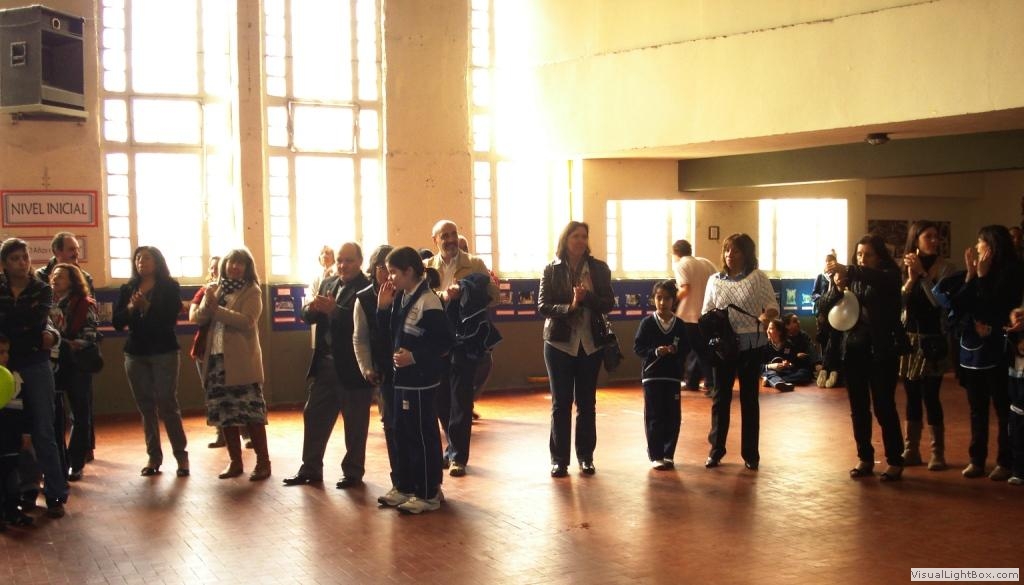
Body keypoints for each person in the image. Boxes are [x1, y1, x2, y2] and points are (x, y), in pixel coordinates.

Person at [283, 243, 374, 489]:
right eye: (340, 260)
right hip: (324, 364)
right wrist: (312, 308)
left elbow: (364, 326)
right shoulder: (327, 283)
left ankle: (353, 472)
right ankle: (310, 468)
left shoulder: (368, 288)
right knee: (313, 415)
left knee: (355, 423)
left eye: (349, 261)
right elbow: (306, 315)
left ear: (360, 261)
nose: (343, 265)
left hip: (353, 368)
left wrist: (335, 311)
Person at [821, 234, 906, 481]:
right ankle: (865, 458)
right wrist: (837, 288)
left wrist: (850, 270)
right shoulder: (851, 279)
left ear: (879, 256)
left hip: (882, 350)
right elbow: (825, 307)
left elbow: (878, 281)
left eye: (868, 254)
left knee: (884, 407)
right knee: (858, 408)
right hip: (854, 350)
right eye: (859, 254)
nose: (862, 258)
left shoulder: (890, 275)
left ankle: (895, 460)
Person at [376, 246, 454, 513]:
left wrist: (415, 357)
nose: (390, 278)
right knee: (402, 433)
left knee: (422, 435)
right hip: (402, 380)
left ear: (409, 271)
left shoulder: (429, 300)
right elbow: (390, 335)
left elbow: (444, 343)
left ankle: (428, 492)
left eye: (394, 272)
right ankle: (406, 487)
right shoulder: (402, 297)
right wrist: (382, 309)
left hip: (421, 381)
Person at [539, 221, 615, 478]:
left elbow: (608, 303)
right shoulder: (551, 269)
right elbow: (543, 306)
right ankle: (559, 460)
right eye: (575, 236)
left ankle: (586, 457)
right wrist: (571, 306)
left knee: (586, 403)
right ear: (566, 239)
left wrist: (587, 298)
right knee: (561, 403)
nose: (580, 241)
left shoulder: (599, 269)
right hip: (558, 343)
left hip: (590, 344)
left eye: (584, 236)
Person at [424, 220, 499, 478]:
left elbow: (494, 296)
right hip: (436, 340)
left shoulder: (475, 264)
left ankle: (458, 457)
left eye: (453, 234)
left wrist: (468, 291)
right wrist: (445, 296)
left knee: (461, 398)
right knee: (440, 399)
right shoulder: (426, 267)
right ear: (435, 240)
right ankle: (452, 446)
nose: (450, 240)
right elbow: (418, 299)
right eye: (444, 235)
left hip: (464, 340)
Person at [948, 225, 1023, 481]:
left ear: (991, 246)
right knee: (976, 407)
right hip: (974, 350)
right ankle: (976, 460)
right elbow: (960, 305)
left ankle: (1005, 461)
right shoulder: (976, 271)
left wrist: (981, 277)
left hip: (999, 347)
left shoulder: (1011, 272)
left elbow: (996, 304)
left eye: (980, 242)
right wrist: (972, 275)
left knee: (1003, 407)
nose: (977, 247)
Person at [0, 238, 67, 518]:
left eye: (24, 257)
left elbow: (35, 323)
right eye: (14, 258)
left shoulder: (41, 289)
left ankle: (55, 493)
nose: (21, 263)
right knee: (11, 431)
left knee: (43, 429)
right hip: (5, 366)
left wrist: (14, 332)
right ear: (4, 264)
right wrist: (19, 333)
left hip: (35, 363)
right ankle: (20, 491)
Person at [192, 249, 271, 481]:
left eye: (240, 264)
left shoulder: (252, 291)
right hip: (216, 359)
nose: (235, 267)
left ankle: (263, 462)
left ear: (247, 268)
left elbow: (247, 321)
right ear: (224, 265)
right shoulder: (215, 289)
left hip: (242, 362)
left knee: (252, 413)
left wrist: (217, 310)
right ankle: (235, 462)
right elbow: (199, 318)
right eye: (232, 263)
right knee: (224, 413)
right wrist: (208, 303)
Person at [112, 246, 190, 478]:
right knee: (146, 406)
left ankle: (181, 456)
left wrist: (147, 306)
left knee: (167, 403)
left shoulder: (169, 287)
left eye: (146, 258)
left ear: (157, 262)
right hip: (136, 353)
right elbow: (117, 322)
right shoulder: (128, 288)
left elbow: (168, 320)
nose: (141, 262)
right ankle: (154, 456)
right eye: (137, 258)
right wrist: (131, 307)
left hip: (164, 351)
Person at [898, 220, 955, 470]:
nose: (934, 241)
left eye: (936, 236)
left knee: (931, 396)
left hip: (934, 339)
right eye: (928, 236)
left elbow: (938, 302)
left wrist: (922, 275)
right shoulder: (904, 265)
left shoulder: (946, 268)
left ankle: (937, 453)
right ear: (916, 239)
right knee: (911, 396)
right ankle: (911, 449)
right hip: (909, 339)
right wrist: (910, 279)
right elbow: (899, 303)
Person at [353, 245, 401, 501]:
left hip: (411, 371)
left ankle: (423, 483)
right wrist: (367, 367)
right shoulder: (363, 299)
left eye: (392, 269)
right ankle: (399, 481)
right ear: (373, 270)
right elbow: (360, 338)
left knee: (413, 427)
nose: (387, 274)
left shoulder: (406, 292)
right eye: (382, 268)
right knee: (391, 426)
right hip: (384, 372)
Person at [48, 263, 99, 482]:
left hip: (76, 363)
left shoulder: (84, 304)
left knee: (80, 413)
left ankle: (76, 462)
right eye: (54, 275)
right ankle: (57, 461)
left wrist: (63, 343)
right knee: (53, 414)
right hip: (52, 364)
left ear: (73, 281)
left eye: (61, 276)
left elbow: (89, 335)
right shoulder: (45, 302)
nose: (55, 279)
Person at [633, 279, 688, 470]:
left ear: (674, 300)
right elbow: (638, 348)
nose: (662, 302)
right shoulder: (647, 323)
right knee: (654, 416)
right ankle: (656, 454)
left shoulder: (680, 325)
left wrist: (676, 351)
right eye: (658, 298)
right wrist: (655, 352)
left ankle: (668, 453)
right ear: (654, 299)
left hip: (672, 377)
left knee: (673, 416)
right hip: (652, 376)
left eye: (667, 298)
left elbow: (686, 348)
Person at [671, 239, 717, 396]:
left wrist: (672, 302)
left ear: (675, 253)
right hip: (708, 315)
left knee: (699, 351)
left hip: (689, 316)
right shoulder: (706, 263)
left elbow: (685, 288)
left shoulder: (680, 264)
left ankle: (711, 384)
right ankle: (692, 381)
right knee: (699, 349)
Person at [0, 333, 34, 528]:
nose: (5, 356)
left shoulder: (15, 377)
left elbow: (25, 407)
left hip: (11, 436)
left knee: (12, 475)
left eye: (7, 352)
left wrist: (26, 433)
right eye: (0, 352)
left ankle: (13, 511)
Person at [761, 318, 811, 392]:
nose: (767, 331)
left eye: (771, 328)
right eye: (768, 328)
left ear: (779, 331)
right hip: (772, 371)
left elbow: (794, 362)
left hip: (787, 372)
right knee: (769, 373)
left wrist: (789, 364)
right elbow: (758, 366)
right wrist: (772, 366)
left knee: (804, 373)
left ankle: (773, 381)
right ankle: (776, 381)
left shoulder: (789, 344)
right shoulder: (764, 346)